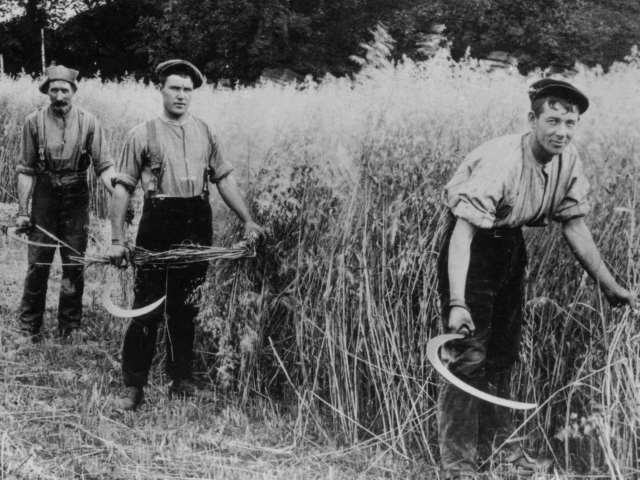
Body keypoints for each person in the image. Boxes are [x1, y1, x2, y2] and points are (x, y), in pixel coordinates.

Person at [437, 78, 635, 479]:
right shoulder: (502, 160)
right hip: (473, 250)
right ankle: (458, 467)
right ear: (533, 119)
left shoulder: (568, 159)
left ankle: (503, 454)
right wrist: (458, 302)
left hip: (510, 246)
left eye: (570, 122)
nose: (562, 131)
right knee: (468, 357)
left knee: (503, 357)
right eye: (553, 120)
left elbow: (575, 226)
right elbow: (463, 233)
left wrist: (611, 286)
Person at [108, 59, 263, 410]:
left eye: (187, 90)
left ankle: (182, 380)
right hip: (158, 222)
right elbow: (122, 189)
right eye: (174, 88)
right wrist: (117, 240)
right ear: (161, 90)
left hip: (196, 221)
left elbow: (223, 179)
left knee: (186, 307)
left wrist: (248, 220)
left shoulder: (206, 131)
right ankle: (133, 387)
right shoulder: (141, 134)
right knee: (147, 306)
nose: (181, 95)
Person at [16, 65, 116, 342]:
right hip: (45, 195)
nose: (59, 96)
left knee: (74, 263)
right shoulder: (32, 122)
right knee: (38, 263)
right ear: (47, 90)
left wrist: (119, 193)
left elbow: (105, 167)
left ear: (74, 92)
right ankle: (29, 327)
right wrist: (23, 212)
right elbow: (25, 170)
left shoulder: (90, 123)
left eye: (65, 90)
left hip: (76, 195)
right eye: (54, 89)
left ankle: (70, 327)